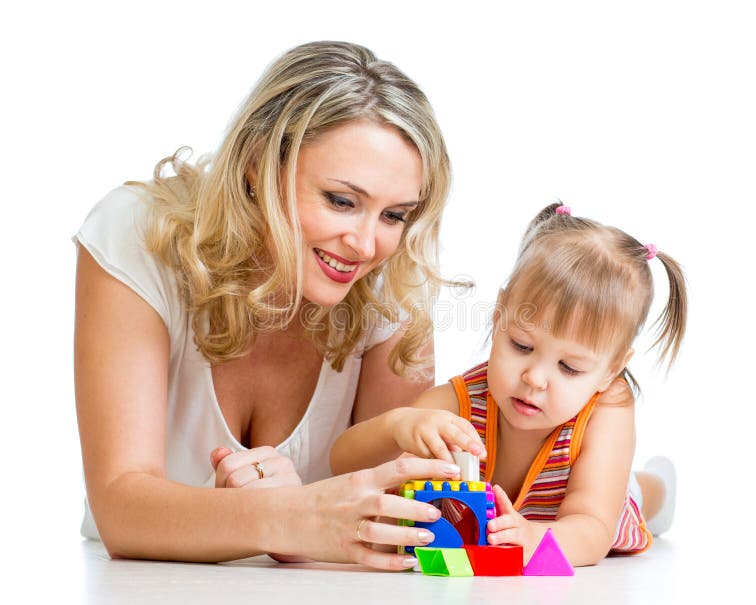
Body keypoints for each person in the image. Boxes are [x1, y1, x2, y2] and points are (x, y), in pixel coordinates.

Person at [73, 40, 468, 569]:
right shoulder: (138, 235)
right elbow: (121, 508)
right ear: (259, 164)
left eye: (395, 215)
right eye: (341, 201)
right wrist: (286, 514)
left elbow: (400, 513)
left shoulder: (395, 281)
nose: (367, 244)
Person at [330, 202, 685, 567]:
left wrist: (534, 537)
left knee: (638, 496)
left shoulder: (607, 408)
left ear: (611, 369)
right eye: (521, 346)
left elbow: (592, 530)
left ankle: (661, 486)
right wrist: (396, 426)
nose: (534, 378)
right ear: (499, 316)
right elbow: (341, 462)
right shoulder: (460, 402)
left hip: (589, 508)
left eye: (569, 367)